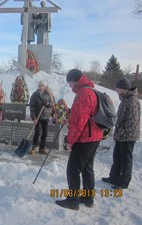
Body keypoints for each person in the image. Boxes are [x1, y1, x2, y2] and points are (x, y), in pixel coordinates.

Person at [55, 69, 103, 211]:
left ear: (75, 80)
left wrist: (70, 140)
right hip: (95, 136)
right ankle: (88, 198)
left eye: (70, 83)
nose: (69, 86)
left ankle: (73, 201)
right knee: (87, 168)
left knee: (73, 169)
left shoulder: (83, 94)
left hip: (85, 138)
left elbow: (79, 121)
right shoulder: (91, 91)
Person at [102, 77, 140, 189]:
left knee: (126, 160)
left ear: (123, 88)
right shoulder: (126, 99)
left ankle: (123, 182)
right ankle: (113, 178)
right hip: (121, 136)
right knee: (117, 157)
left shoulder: (132, 100)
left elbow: (131, 122)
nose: (116, 90)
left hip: (128, 137)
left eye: (117, 88)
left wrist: (121, 133)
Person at [29, 80, 54, 155]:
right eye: (40, 86)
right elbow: (32, 107)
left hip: (46, 117)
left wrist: (47, 103)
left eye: (42, 85)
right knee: (38, 132)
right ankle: (34, 146)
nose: (41, 87)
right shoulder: (34, 95)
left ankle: (42, 147)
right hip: (38, 117)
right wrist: (33, 117)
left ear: (44, 86)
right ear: (38, 86)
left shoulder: (48, 94)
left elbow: (52, 104)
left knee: (45, 133)